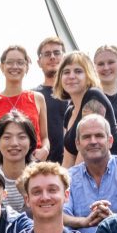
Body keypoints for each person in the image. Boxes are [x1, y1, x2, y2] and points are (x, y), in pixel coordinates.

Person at [56, 51, 117, 167]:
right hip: (88, 174)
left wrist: (70, 182)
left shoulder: (94, 97)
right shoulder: (69, 112)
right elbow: (68, 159)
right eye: (66, 72)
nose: (71, 76)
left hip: (114, 171)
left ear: (88, 75)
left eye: (78, 71)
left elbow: (85, 154)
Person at [0, 45, 49, 160]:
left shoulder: (38, 98)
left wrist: (45, 149)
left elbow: (44, 137)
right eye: (10, 62)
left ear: (26, 67)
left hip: (32, 164)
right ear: (2, 66)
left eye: (20, 63)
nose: (15, 66)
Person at [63, 114, 117, 233]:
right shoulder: (69, 177)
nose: (93, 141)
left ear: (110, 141)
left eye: (99, 136)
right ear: (78, 144)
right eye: (87, 137)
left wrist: (113, 219)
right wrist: (84, 222)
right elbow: (61, 214)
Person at [0, 109, 37, 212]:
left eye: (21, 137)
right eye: (7, 137)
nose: (14, 143)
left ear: (31, 143)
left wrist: (25, 193)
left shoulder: (41, 174)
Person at [34, 36, 68, 164]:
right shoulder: (32, 96)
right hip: (40, 165)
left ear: (64, 58)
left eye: (57, 53)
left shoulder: (76, 93)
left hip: (73, 164)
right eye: (47, 54)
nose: (52, 57)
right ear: (39, 62)